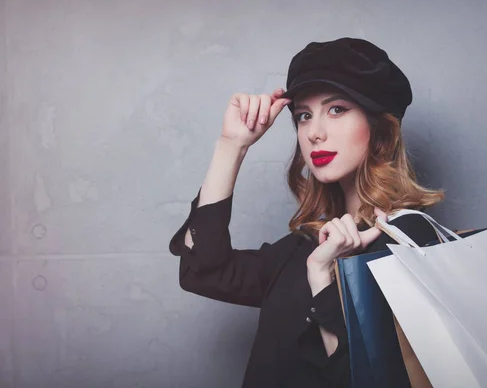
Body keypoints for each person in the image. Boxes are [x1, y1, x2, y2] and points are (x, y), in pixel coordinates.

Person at [169, 38, 444, 388]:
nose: (314, 133)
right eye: (303, 115)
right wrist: (231, 145)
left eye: (337, 109)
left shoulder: (408, 239)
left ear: (379, 130)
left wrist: (321, 279)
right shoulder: (306, 243)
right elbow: (203, 271)